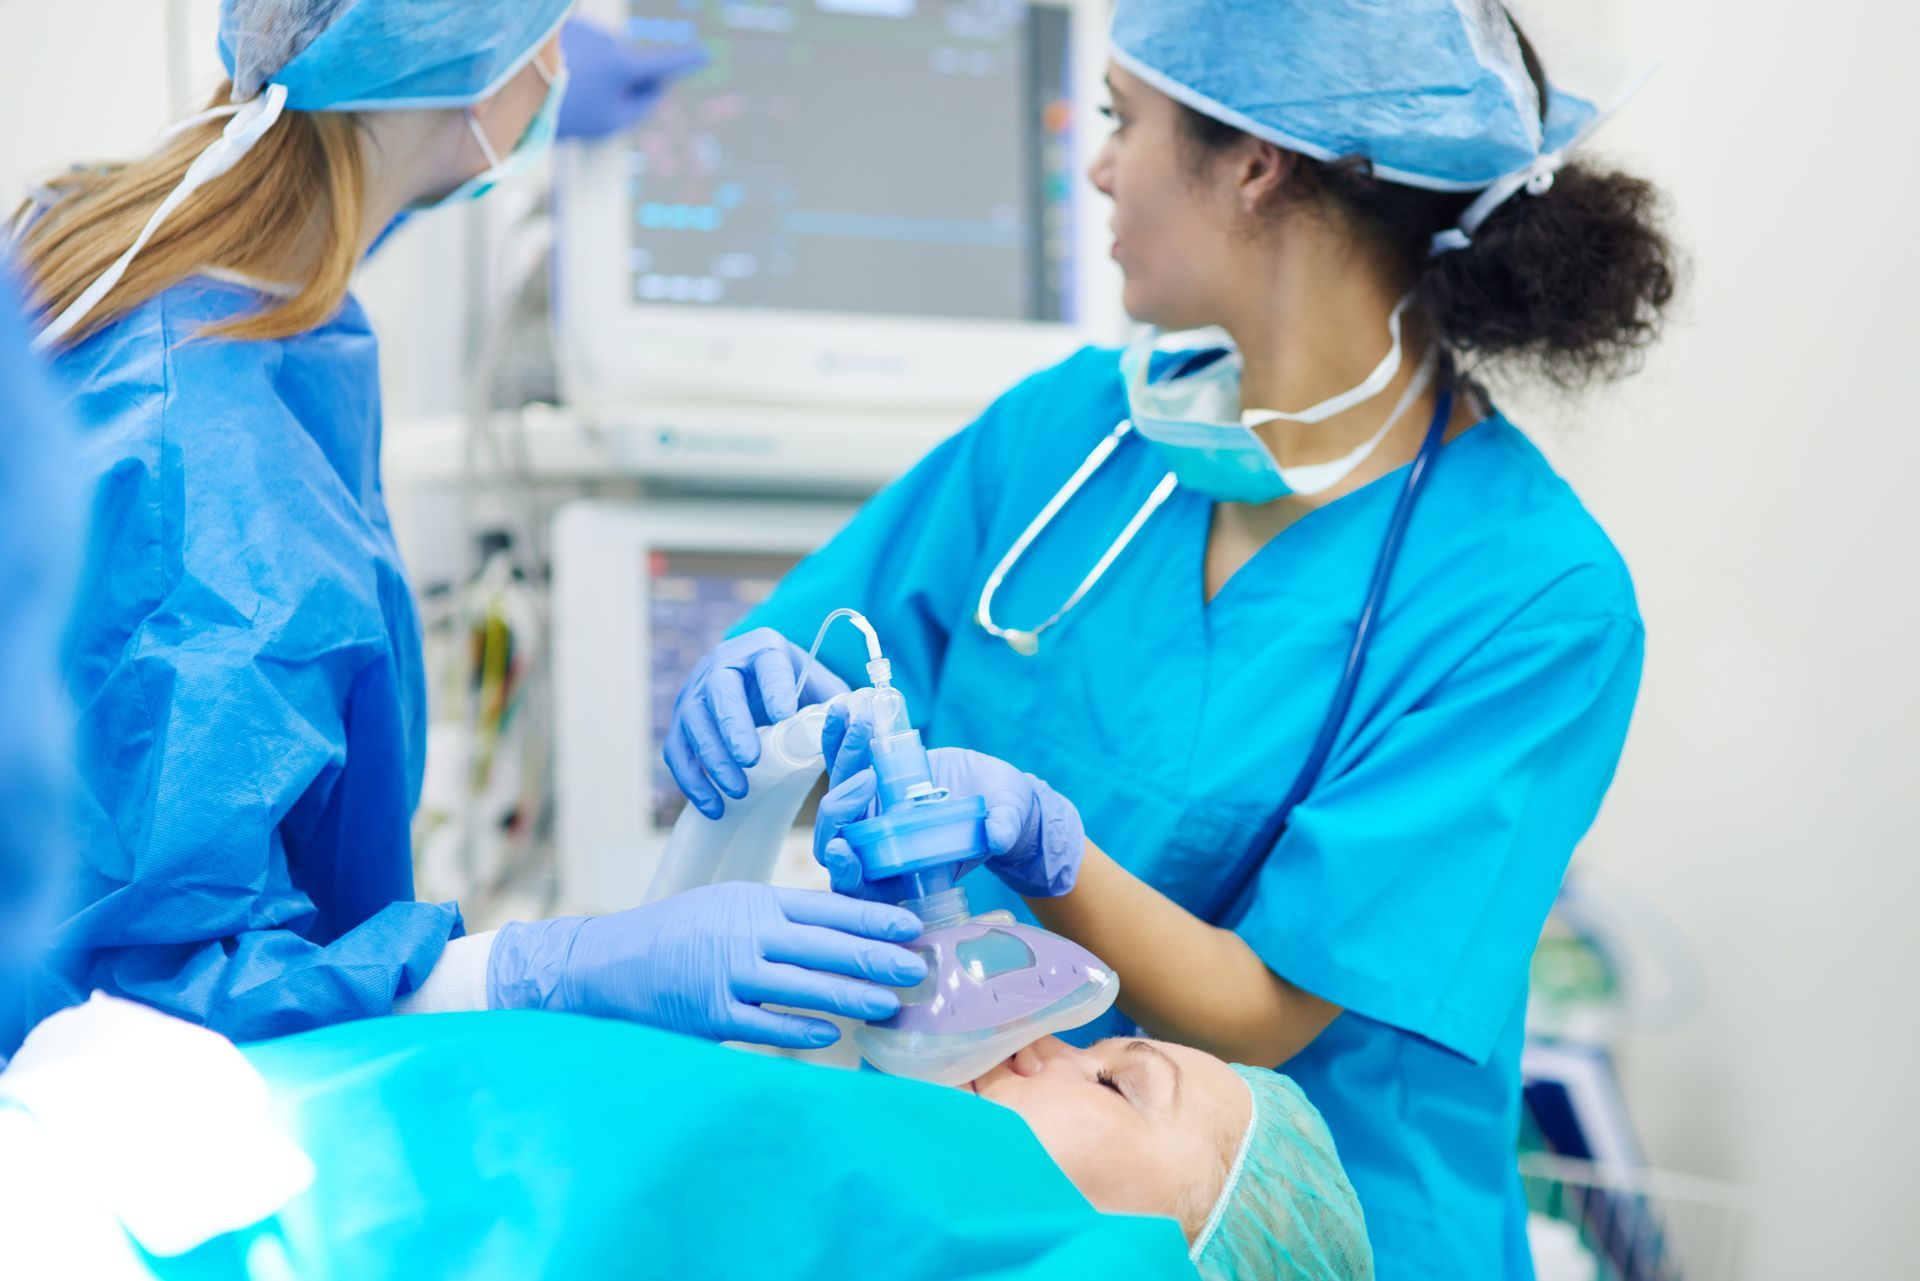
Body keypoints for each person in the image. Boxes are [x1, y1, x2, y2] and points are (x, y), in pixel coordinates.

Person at [664, 1, 1677, 1275]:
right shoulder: (1069, 436)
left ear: (1254, 164)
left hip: (1305, 1240)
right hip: (987, 1191)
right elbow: (812, 660)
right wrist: (764, 708)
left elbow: (1258, 1013)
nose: (1097, 167)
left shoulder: (1533, 598)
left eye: (1120, 123)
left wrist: (1039, 846)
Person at [9, 0, 926, 1052]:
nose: (561, 54)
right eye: (551, 26)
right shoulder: (224, 482)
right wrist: (540, 969)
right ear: (470, 70)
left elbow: (331, 136)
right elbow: (159, 1008)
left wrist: (463, 100)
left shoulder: (107, 236)